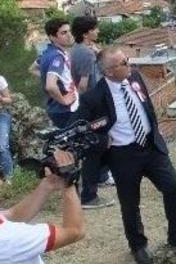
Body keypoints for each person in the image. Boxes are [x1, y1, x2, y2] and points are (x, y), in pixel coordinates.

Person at [78, 47, 176, 264]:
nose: (129, 65)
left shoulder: (135, 77)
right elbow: (82, 132)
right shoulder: (93, 98)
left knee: (172, 186)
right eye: (123, 63)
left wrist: (153, 130)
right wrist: (103, 141)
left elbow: (147, 106)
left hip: (151, 149)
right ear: (108, 72)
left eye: (127, 59)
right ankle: (138, 246)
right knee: (130, 203)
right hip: (123, 155)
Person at [0, 150, 85, 263]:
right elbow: (74, 231)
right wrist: (68, 181)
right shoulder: (5, 240)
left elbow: (14, 215)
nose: (2, 183)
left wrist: (47, 184)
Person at [70, 15, 115, 209]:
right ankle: (89, 195)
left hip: (84, 107)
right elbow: (83, 85)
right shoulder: (86, 55)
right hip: (92, 109)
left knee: (96, 149)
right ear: (86, 32)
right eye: (95, 29)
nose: (98, 32)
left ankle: (100, 178)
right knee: (95, 149)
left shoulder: (78, 50)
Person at [38, 18, 79, 129]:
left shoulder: (47, 52)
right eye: (64, 33)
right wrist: (63, 100)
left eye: (69, 31)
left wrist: (53, 80)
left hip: (56, 109)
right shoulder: (57, 57)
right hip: (65, 110)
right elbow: (50, 86)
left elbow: (33, 68)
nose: (69, 35)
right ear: (52, 37)